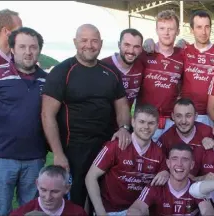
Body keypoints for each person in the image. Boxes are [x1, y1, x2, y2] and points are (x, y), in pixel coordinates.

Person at [41, 24, 131, 207]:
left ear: (101, 43)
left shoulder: (111, 73)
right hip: (73, 150)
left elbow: (122, 107)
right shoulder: (62, 72)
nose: (89, 45)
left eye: (94, 40)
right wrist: (58, 154)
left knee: (103, 198)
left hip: (106, 148)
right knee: (75, 201)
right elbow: (47, 115)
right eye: (84, 40)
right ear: (75, 42)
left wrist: (124, 128)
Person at [0, 27, 47, 215]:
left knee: (32, 212)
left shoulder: (47, 80)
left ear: (39, 50)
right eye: (22, 46)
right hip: (2, 158)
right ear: (12, 49)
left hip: (35, 159)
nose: (28, 52)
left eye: (33, 47)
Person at [85, 104, 169, 215]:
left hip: (137, 212)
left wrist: (166, 172)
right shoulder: (116, 146)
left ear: (157, 125)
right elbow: (90, 177)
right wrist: (100, 210)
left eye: (151, 123)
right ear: (133, 122)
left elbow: (169, 176)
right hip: (110, 211)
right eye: (142, 122)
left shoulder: (159, 153)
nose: (146, 127)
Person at [126, 143, 214, 215]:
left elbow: (208, 211)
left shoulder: (197, 188)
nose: (179, 164)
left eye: (185, 159)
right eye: (174, 159)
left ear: (192, 165)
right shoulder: (155, 187)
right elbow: (136, 209)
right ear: (168, 163)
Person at [136, 10, 185, 141]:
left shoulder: (182, 55)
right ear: (156, 30)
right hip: (145, 120)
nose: (166, 32)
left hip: (170, 122)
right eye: (162, 28)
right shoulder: (144, 54)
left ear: (178, 31)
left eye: (171, 29)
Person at [10, 165, 87, 216]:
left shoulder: (78, 213)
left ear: (67, 189)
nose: (47, 197)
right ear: (37, 184)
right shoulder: (21, 213)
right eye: (43, 190)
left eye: (55, 191)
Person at [101, 28, 145, 106]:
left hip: (126, 117)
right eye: (127, 45)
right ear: (119, 45)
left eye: (136, 47)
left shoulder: (141, 66)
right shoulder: (103, 65)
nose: (131, 51)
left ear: (141, 49)